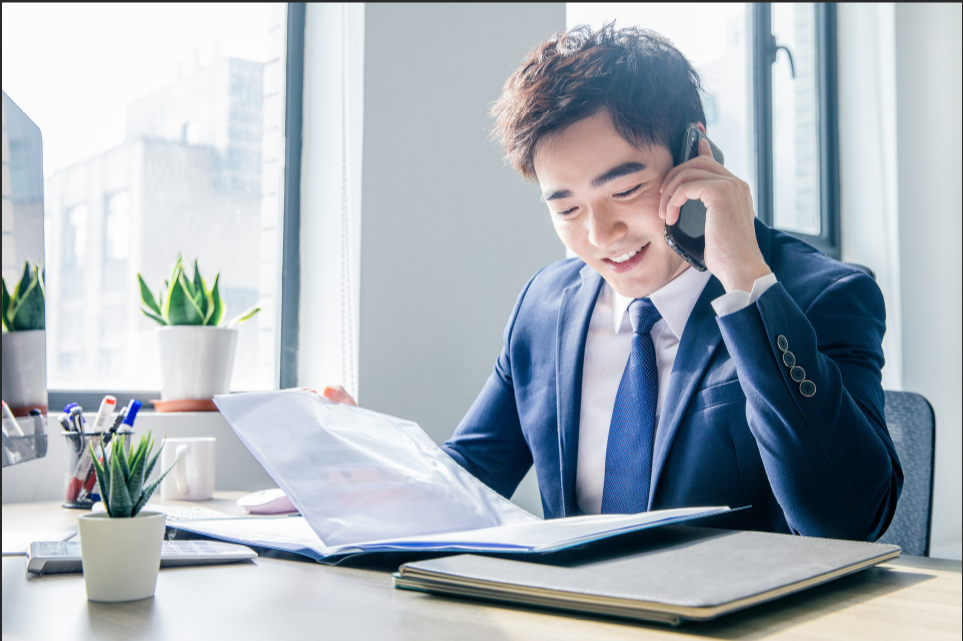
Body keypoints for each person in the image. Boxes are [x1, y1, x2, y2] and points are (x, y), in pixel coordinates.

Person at [325, 24, 902, 541]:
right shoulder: (546, 306)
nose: (601, 234)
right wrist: (360, 458)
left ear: (695, 152)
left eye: (624, 191)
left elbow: (846, 521)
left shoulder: (817, 297)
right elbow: (467, 480)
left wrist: (745, 284)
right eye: (567, 208)